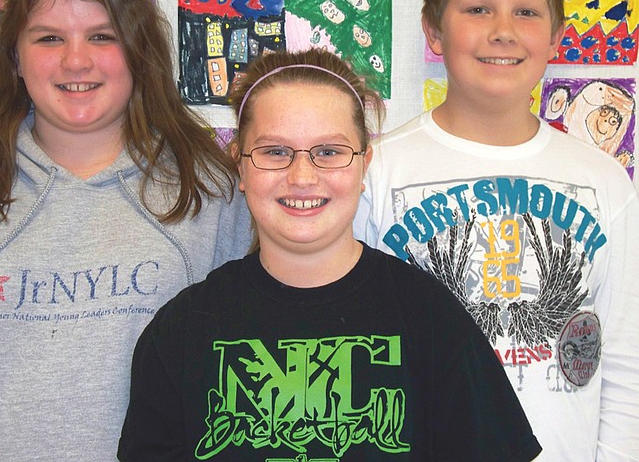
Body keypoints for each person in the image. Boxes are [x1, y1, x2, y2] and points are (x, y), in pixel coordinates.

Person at [0, 0, 251, 461]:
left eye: (102, 37)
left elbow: (251, 368)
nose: (76, 62)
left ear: (138, 50)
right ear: (13, 56)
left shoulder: (212, 195)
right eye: (49, 38)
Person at [118, 49, 542, 461]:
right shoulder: (182, 331)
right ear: (241, 166)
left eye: (329, 152)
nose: (302, 176)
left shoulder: (428, 317)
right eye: (275, 152)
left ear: (363, 165)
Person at [354, 0, 639, 460]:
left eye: (526, 12)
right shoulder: (374, 172)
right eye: (478, 10)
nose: (503, 31)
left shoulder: (604, 180)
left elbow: (634, 361)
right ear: (433, 31)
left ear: (554, 36)